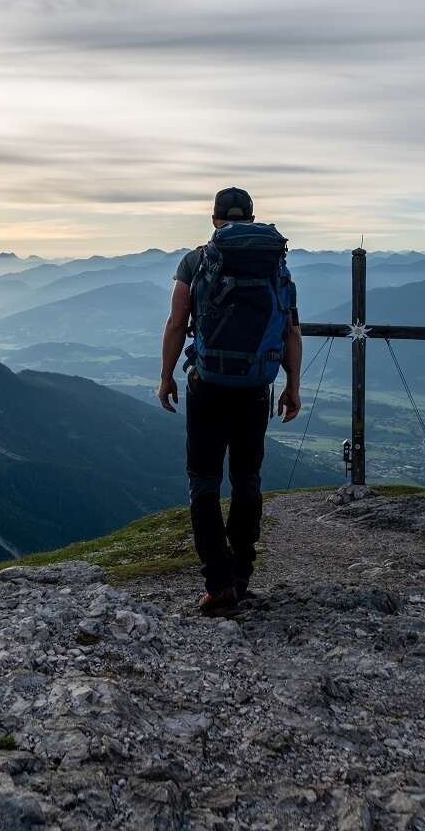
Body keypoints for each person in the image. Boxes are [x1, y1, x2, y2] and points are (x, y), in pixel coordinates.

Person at [158, 186, 302, 616]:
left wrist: (166, 376)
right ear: (253, 218)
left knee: (203, 481)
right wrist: (293, 385)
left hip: (208, 386)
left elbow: (176, 322)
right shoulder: (276, 263)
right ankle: (240, 577)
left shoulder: (196, 260)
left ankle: (217, 585)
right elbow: (291, 331)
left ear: (215, 219)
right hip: (256, 389)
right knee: (247, 480)